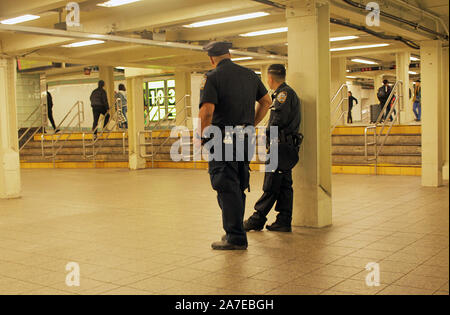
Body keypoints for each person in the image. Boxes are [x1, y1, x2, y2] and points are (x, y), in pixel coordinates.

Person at [196, 41, 272, 250]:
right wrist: (250, 123)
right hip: (245, 137)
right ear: (229, 54)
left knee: (224, 183)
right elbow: (266, 101)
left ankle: (236, 237)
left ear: (212, 58)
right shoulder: (249, 75)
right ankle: (234, 231)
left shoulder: (212, 77)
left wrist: (203, 137)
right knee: (238, 185)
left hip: (222, 138)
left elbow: (207, 112)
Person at [244, 64, 301, 233]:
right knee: (284, 184)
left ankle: (258, 218)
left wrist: (266, 135)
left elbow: (277, 120)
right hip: (286, 146)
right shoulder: (287, 93)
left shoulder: (283, 94)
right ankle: (284, 219)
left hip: (279, 146)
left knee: (271, 184)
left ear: (269, 78)